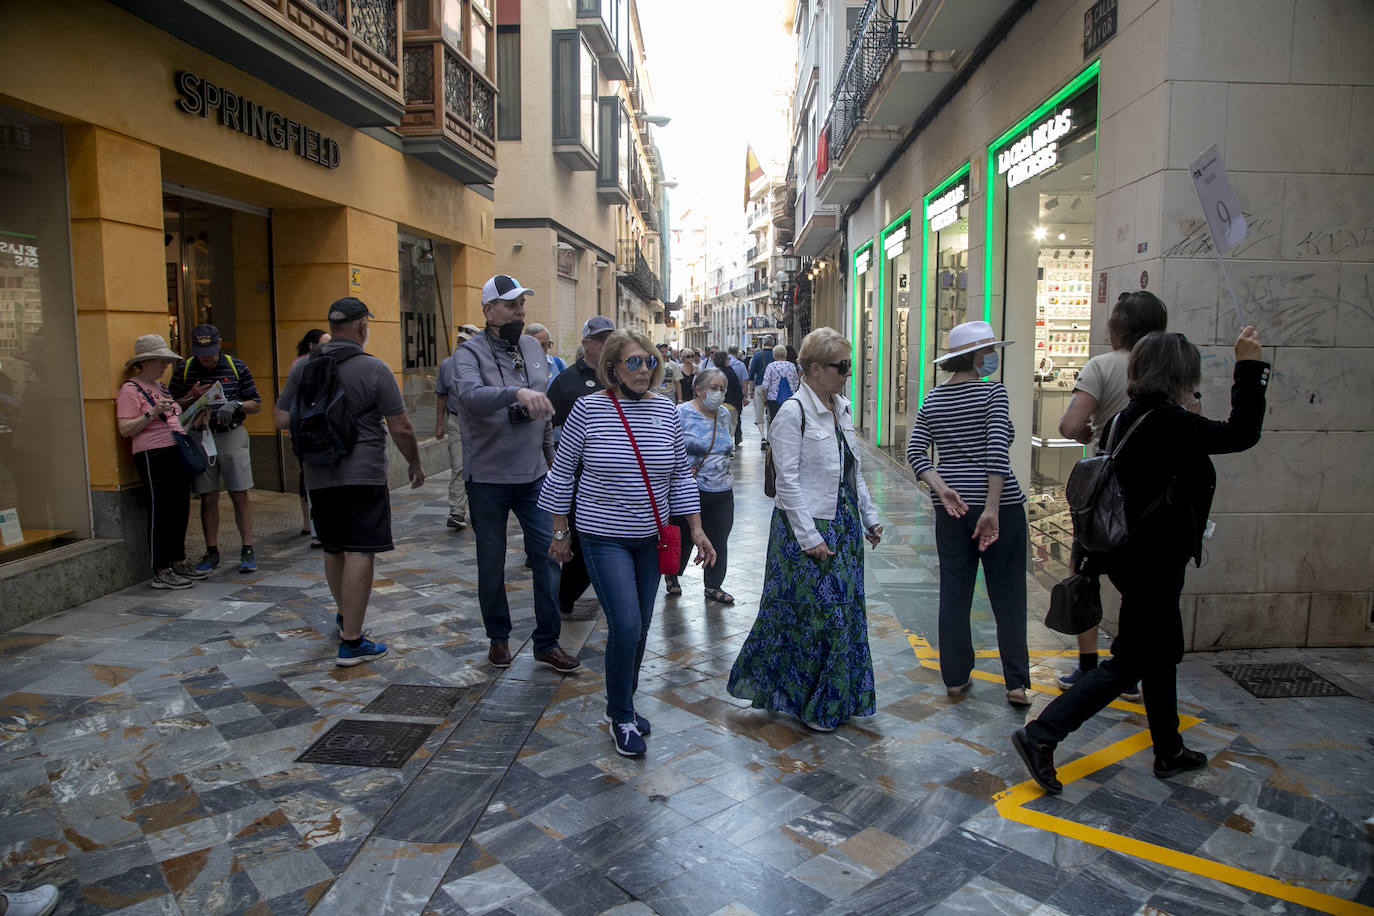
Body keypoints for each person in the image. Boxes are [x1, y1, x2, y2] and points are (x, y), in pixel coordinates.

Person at [1014, 327, 1269, 794]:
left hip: (1133, 559)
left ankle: (1168, 749)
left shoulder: (1125, 419)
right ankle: (1041, 735)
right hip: (1153, 562)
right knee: (1131, 660)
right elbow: (1243, 433)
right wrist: (1249, 367)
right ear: (1180, 376)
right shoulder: (1171, 424)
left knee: (1163, 653)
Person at [542, 329, 716, 756]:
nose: (643, 370)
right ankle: (621, 715)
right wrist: (560, 532)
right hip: (603, 538)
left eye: (650, 361)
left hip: (651, 538)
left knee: (638, 628)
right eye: (634, 362)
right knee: (627, 624)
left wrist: (696, 528)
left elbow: (679, 475)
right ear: (613, 368)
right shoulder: (588, 410)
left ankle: (621, 701)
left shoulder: (665, 412)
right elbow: (562, 473)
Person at [728, 327, 882, 731]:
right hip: (805, 527)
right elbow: (788, 481)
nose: (847, 373)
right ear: (814, 368)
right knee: (815, 617)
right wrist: (809, 537)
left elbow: (853, 470)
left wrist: (870, 516)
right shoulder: (792, 413)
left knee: (843, 616)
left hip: (843, 525)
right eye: (841, 366)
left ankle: (831, 699)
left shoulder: (841, 409)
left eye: (849, 366)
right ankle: (808, 700)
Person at [273, 298, 426, 666]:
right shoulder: (374, 369)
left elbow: (279, 418)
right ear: (361, 327)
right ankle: (352, 641)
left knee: (333, 548)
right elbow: (402, 426)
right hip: (362, 473)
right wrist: (415, 463)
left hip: (318, 473)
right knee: (360, 549)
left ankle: (347, 618)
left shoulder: (303, 366)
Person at [454, 275, 581, 673]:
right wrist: (515, 393)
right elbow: (471, 398)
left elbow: (542, 408)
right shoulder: (467, 354)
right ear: (489, 310)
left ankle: (547, 642)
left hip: (534, 477)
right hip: (488, 478)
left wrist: (551, 459)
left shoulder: (531, 346)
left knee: (548, 557)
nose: (520, 311)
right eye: (510, 305)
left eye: (522, 303)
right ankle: (498, 637)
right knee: (490, 562)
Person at [906, 320, 1032, 705]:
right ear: (978, 357)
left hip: (953, 511)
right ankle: (1016, 683)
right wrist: (991, 509)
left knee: (955, 592)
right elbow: (997, 450)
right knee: (1008, 594)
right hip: (1001, 509)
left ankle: (955, 679)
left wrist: (943, 489)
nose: (992, 358)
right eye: (988, 351)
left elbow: (916, 453)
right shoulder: (993, 394)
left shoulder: (933, 399)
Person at [1055, 291, 1168, 697]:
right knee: (1141, 585)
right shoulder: (1171, 366)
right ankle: (1130, 667)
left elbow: (1070, 426)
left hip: (1108, 494)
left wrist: (1090, 432)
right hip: (1159, 494)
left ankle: (1088, 666)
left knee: (1085, 575)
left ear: (1117, 326)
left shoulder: (1103, 366)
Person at [169, 323, 262, 574]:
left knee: (239, 493)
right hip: (199, 436)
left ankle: (248, 548)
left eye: (210, 351)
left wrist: (237, 404)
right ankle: (212, 551)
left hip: (231, 433)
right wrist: (190, 395)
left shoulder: (237, 367)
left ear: (219, 344)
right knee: (207, 495)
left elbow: (256, 403)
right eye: (201, 353)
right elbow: (171, 406)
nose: (207, 358)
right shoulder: (184, 370)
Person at [116, 334, 205, 590]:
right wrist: (151, 412)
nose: (165, 366)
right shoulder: (130, 390)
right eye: (160, 361)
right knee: (160, 511)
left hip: (174, 450)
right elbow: (125, 429)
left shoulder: (162, 387)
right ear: (144, 363)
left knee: (180, 507)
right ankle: (161, 567)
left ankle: (178, 560)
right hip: (152, 454)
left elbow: (174, 418)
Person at [548, 315, 616, 615]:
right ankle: (564, 597)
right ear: (586, 343)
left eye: (611, 339)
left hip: (617, 479)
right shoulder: (566, 381)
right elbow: (548, 426)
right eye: (601, 340)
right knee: (583, 540)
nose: (606, 345)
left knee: (611, 539)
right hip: (579, 479)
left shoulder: (621, 376)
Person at [666, 367, 736, 603]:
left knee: (719, 538)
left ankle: (713, 585)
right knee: (685, 537)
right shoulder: (680, 413)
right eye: (714, 388)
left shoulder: (725, 414)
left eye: (722, 389)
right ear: (698, 390)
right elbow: (668, 450)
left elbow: (728, 443)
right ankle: (672, 574)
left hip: (722, 489)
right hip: (690, 490)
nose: (719, 393)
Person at [434, 323, 482, 531]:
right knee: (458, 465)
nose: (461, 344)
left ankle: (480, 507)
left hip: (481, 422)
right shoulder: (447, 365)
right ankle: (457, 511)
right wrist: (438, 424)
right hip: (456, 420)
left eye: (465, 341)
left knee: (481, 467)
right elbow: (441, 395)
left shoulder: (483, 362)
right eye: (459, 341)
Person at [291, 329, 330, 546]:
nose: (328, 348)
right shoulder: (302, 365)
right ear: (311, 346)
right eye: (324, 344)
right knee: (309, 477)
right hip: (307, 430)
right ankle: (312, 525)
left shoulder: (327, 363)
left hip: (321, 429)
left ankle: (317, 527)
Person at [760, 342, 799, 422]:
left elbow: (765, 385)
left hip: (773, 399)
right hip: (790, 398)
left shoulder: (771, 366)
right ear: (785, 354)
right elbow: (796, 383)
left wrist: (765, 398)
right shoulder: (791, 366)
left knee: (774, 420)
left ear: (774, 354)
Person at [748, 336, 775, 448]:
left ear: (763, 344)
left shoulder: (757, 356)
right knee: (770, 413)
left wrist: (751, 390)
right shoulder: (775, 356)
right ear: (773, 343)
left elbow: (751, 374)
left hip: (759, 386)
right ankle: (769, 438)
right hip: (773, 388)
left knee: (759, 413)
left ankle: (762, 437)